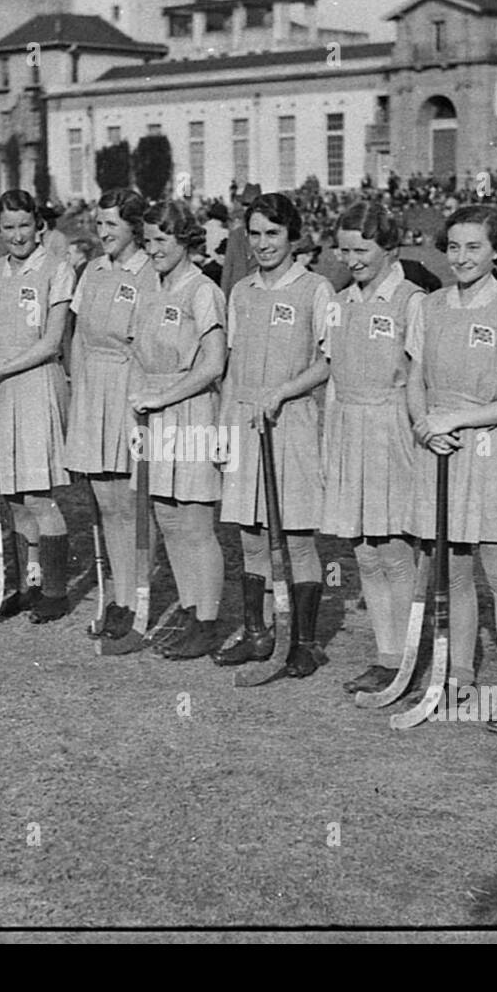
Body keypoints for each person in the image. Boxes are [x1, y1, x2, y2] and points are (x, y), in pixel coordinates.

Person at [404, 204, 497, 726]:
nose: (461, 257)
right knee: (452, 573)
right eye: (453, 247)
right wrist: (424, 425)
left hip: (491, 449)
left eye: (473, 246)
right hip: (441, 450)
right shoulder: (429, 306)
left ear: (496, 249)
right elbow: (414, 380)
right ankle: (458, 677)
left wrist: (459, 418)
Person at [214, 192, 334, 680]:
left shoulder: (316, 289)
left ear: (293, 236)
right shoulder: (241, 291)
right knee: (250, 535)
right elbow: (233, 364)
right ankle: (258, 630)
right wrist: (224, 429)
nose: (264, 244)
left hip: (294, 422)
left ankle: (303, 642)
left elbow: (328, 362)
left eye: (273, 234)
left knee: (298, 537)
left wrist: (284, 391)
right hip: (246, 422)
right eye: (256, 234)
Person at [323, 202, 425, 695]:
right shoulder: (338, 303)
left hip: (392, 430)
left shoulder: (412, 300)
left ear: (390, 248)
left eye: (363, 249)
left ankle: (408, 659)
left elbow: (419, 378)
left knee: (394, 552)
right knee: (363, 553)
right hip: (347, 427)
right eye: (345, 250)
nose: (353, 259)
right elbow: (331, 379)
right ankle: (386, 656)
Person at [124, 200, 227, 659]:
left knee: (195, 520)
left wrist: (163, 398)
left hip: (192, 410)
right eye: (147, 241)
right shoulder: (150, 288)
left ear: (185, 239)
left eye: (162, 240)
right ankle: (188, 608)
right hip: (154, 411)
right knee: (166, 516)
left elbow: (213, 364)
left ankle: (208, 620)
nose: (153, 249)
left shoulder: (202, 290)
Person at [0, 189, 75, 623]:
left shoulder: (57, 270)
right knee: (11, 497)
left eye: (24, 226)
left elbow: (51, 343)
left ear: (39, 226)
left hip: (34, 385)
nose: (17, 235)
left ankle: (55, 589)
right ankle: (27, 585)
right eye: (8, 227)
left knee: (38, 495)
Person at [64, 188, 159, 640]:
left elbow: (153, 345)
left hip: (130, 389)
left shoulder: (150, 274)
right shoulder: (93, 271)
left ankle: (138, 597)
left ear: (135, 228)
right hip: (92, 389)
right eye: (99, 224)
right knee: (104, 502)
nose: (103, 233)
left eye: (112, 226)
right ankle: (118, 596)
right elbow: (79, 337)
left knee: (130, 503)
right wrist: (80, 390)